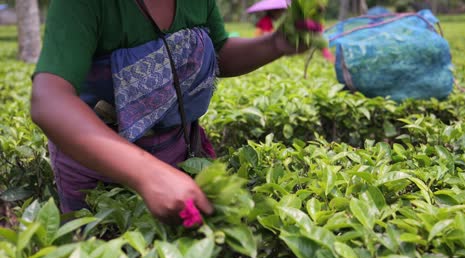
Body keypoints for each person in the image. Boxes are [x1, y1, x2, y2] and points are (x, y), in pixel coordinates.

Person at [30, 0, 305, 224]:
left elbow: (220, 51)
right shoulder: (82, 5)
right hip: (97, 162)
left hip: (177, 151)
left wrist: (275, 44)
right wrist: (146, 173)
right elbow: (50, 99)